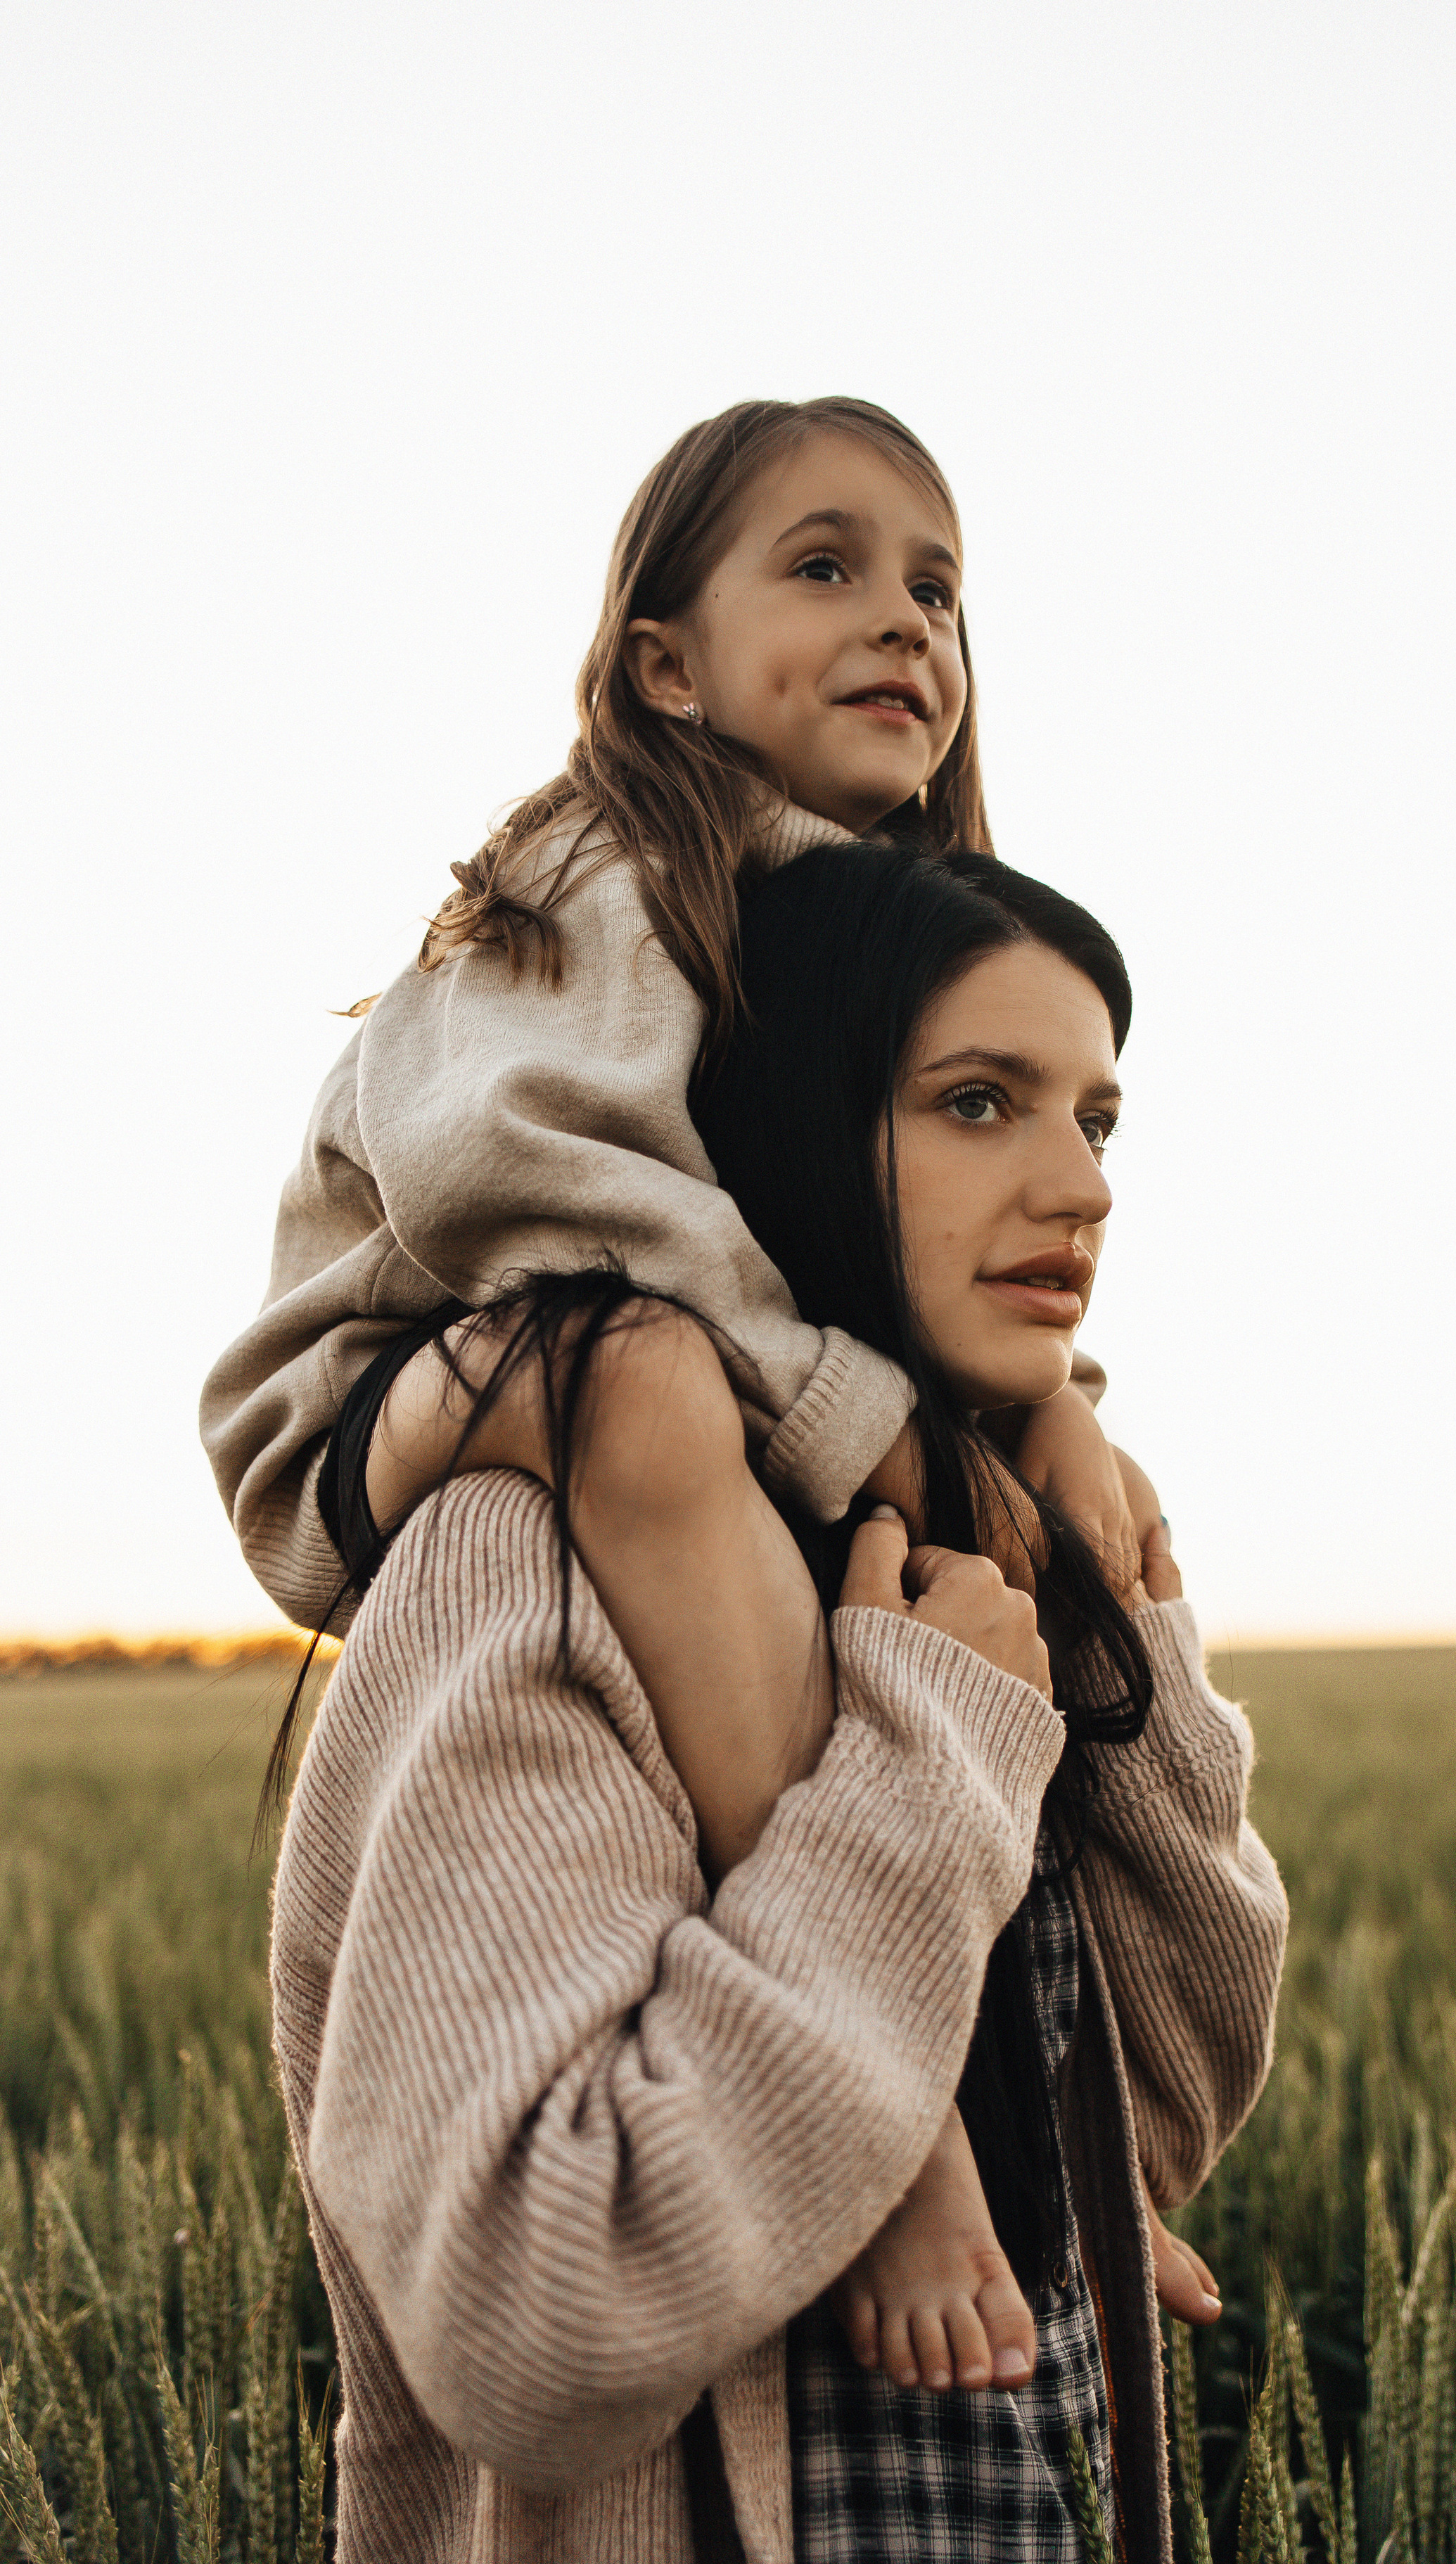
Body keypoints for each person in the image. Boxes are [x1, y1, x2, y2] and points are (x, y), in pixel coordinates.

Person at [205, 397, 1170, 2399]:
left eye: (939, 588)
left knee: (847, 1565)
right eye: (825, 568)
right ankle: (903, 2145)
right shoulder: (602, 863)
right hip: (393, 1385)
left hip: (653, 1354)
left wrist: (1046, 1402)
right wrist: (870, 1425)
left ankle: (1026, 2122)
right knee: (644, 1393)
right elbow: (535, 1196)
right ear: (665, 663)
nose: (905, 621)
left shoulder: (863, 918)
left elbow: (890, 1217)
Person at [269, 838, 1289, 2564]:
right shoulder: (530, 1562)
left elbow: (1155, 2131)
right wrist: (918, 1775)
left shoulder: (962, 1559)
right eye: (976, 1104)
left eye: (1098, 1118)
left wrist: (1112, 1621)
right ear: (795, 1122)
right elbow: (534, 2318)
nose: (1078, 1186)